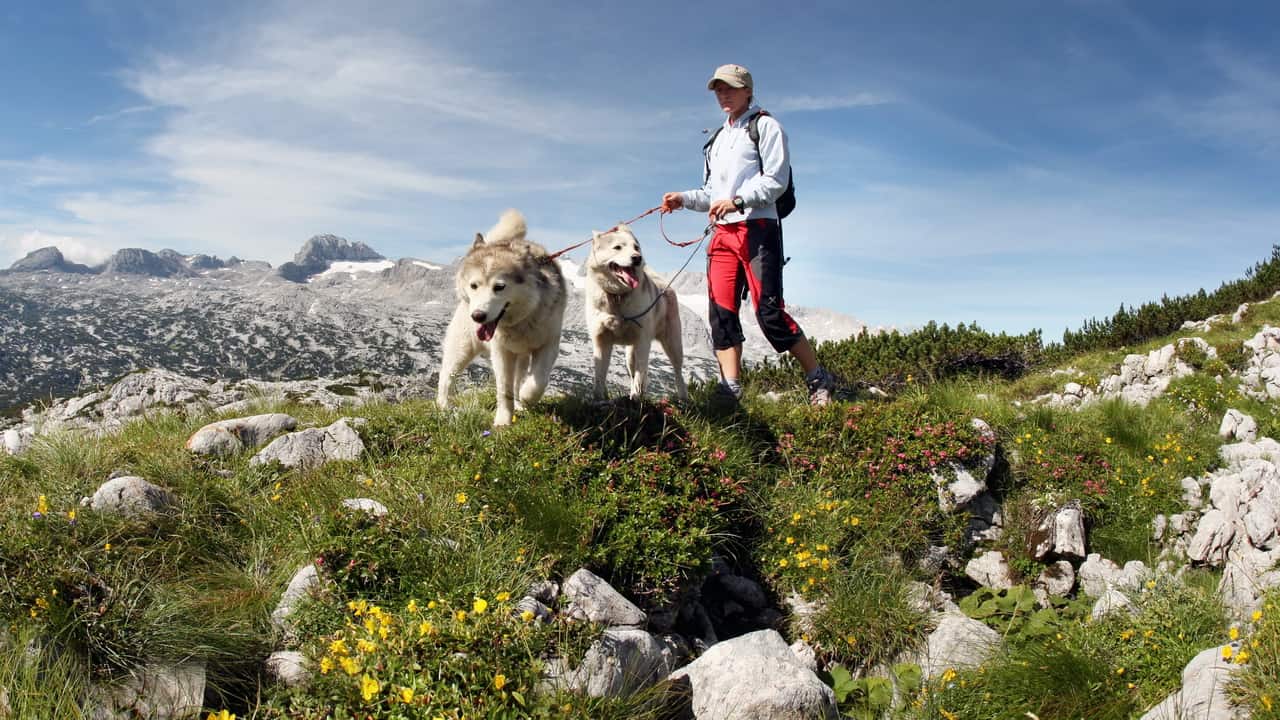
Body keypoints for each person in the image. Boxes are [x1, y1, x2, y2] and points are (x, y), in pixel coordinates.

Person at [661, 63, 837, 406]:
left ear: (747, 90)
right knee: (722, 312)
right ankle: (731, 388)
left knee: (769, 312)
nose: (723, 94)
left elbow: (776, 181)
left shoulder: (766, 126)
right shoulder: (717, 139)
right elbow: (712, 192)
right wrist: (682, 199)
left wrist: (738, 201)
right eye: (718, 89)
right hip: (723, 235)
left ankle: (818, 378)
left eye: (729, 88)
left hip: (759, 228)